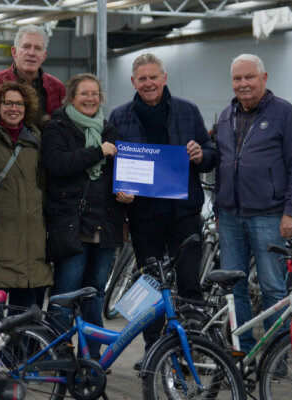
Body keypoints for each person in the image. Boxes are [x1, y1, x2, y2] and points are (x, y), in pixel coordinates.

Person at [107, 53, 218, 363]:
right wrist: (120, 193)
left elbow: (211, 154)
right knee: (150, 286)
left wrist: (200, 155)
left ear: (165, 78)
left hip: (184, 213)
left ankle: (191, 348)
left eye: (153, 77)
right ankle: (154, 349)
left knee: (189, 283)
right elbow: (112, 166)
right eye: (142, 78)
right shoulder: (119, 116)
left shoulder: (187, 111)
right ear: (133, 82)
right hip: (144, 217)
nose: (148, 83)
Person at [214, 53, 292, 352]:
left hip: (269, 216)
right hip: (230, 216)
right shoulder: (225, 116)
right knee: (234, 288)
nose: (243, 84)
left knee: (273, 288)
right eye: (237, 78)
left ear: (264, 78)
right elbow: (222, 165)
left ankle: (274, 354)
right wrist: (218, 208)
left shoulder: (284, 113)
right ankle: (241, 348)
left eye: (249, 77)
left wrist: (291, 212)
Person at [43, 73, 126, 359]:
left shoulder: (109, 129)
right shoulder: (57, 127)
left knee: (95, 295)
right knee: (65, 294)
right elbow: (56, 165)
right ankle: (57, 355)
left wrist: (125, 191)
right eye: (84, 94)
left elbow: (117, 173)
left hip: (104, 224)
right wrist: (96, 152)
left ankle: (91, 359)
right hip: (72, 224)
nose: (91, 99)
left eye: (95, 94)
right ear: (71, 98)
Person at [0, 81, 52, 310]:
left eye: (19, 104)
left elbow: (44, 187)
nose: (14, 108)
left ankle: (21, 348)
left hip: (33, 244)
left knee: (24, 322)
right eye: (7, 103)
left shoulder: (35, 141)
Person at [0, 25, 66, 123]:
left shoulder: (57, 88)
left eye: (38, 48)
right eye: (26, 47)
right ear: (14, 52)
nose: (31, 53)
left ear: (44, 56)